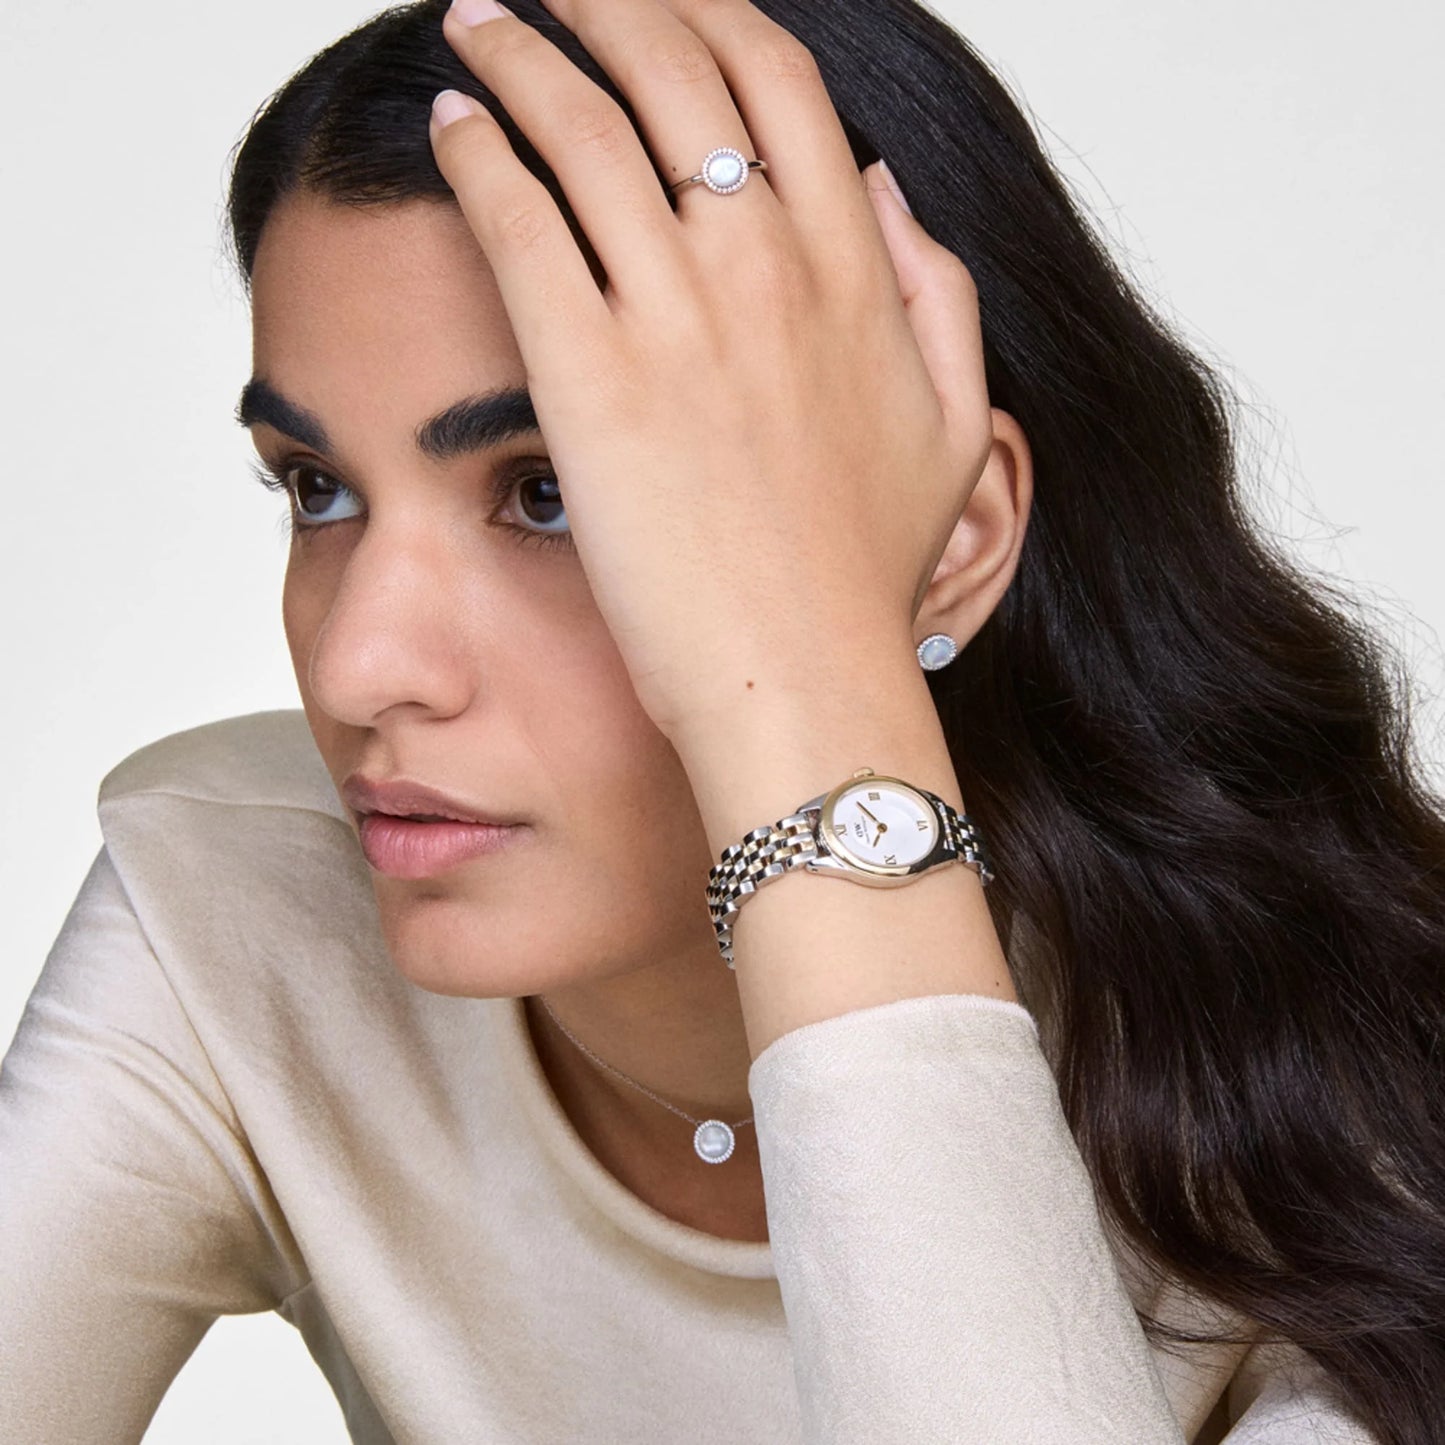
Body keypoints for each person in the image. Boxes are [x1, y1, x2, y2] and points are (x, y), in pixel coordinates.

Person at [2, 0, 1440, 1439]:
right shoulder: (242, 913)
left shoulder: (1350, 1124)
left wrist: (821, 698)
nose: (359, 664)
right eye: (316, 487)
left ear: (950, 535)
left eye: (549, 492)